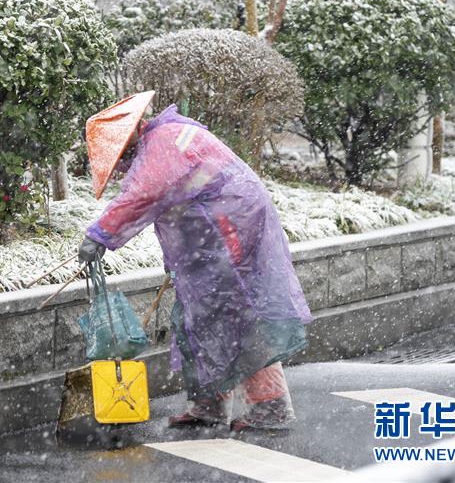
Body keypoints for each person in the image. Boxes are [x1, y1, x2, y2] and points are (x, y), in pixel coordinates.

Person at [77, 91, 312, 430]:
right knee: (193, 317)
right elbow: (174, 203)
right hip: (220, 228)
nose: (123, 166)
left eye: (121, 157)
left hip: (228, 229)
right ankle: (208, 404)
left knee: (236, 318)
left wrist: (100, 235)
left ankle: (269, 408)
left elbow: (142, 195)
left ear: (130, 137)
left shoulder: (162, 142)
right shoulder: (168, 137)